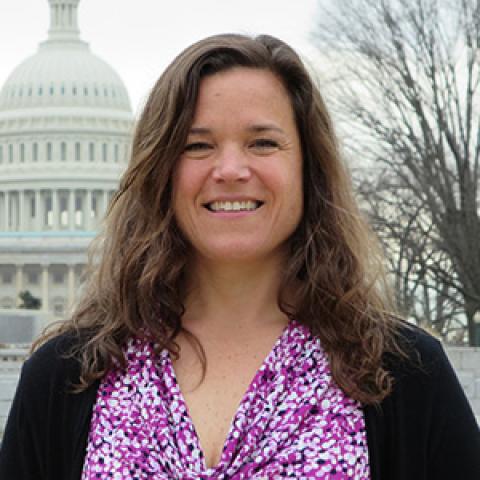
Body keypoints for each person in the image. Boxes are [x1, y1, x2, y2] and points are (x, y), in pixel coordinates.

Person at [0, 33, 479, 480]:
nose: (230, 170)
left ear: (308, 169)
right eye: (198, 145)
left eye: (262, 143)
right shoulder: (62, 379)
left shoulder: (406, 374)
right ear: (159, 172)